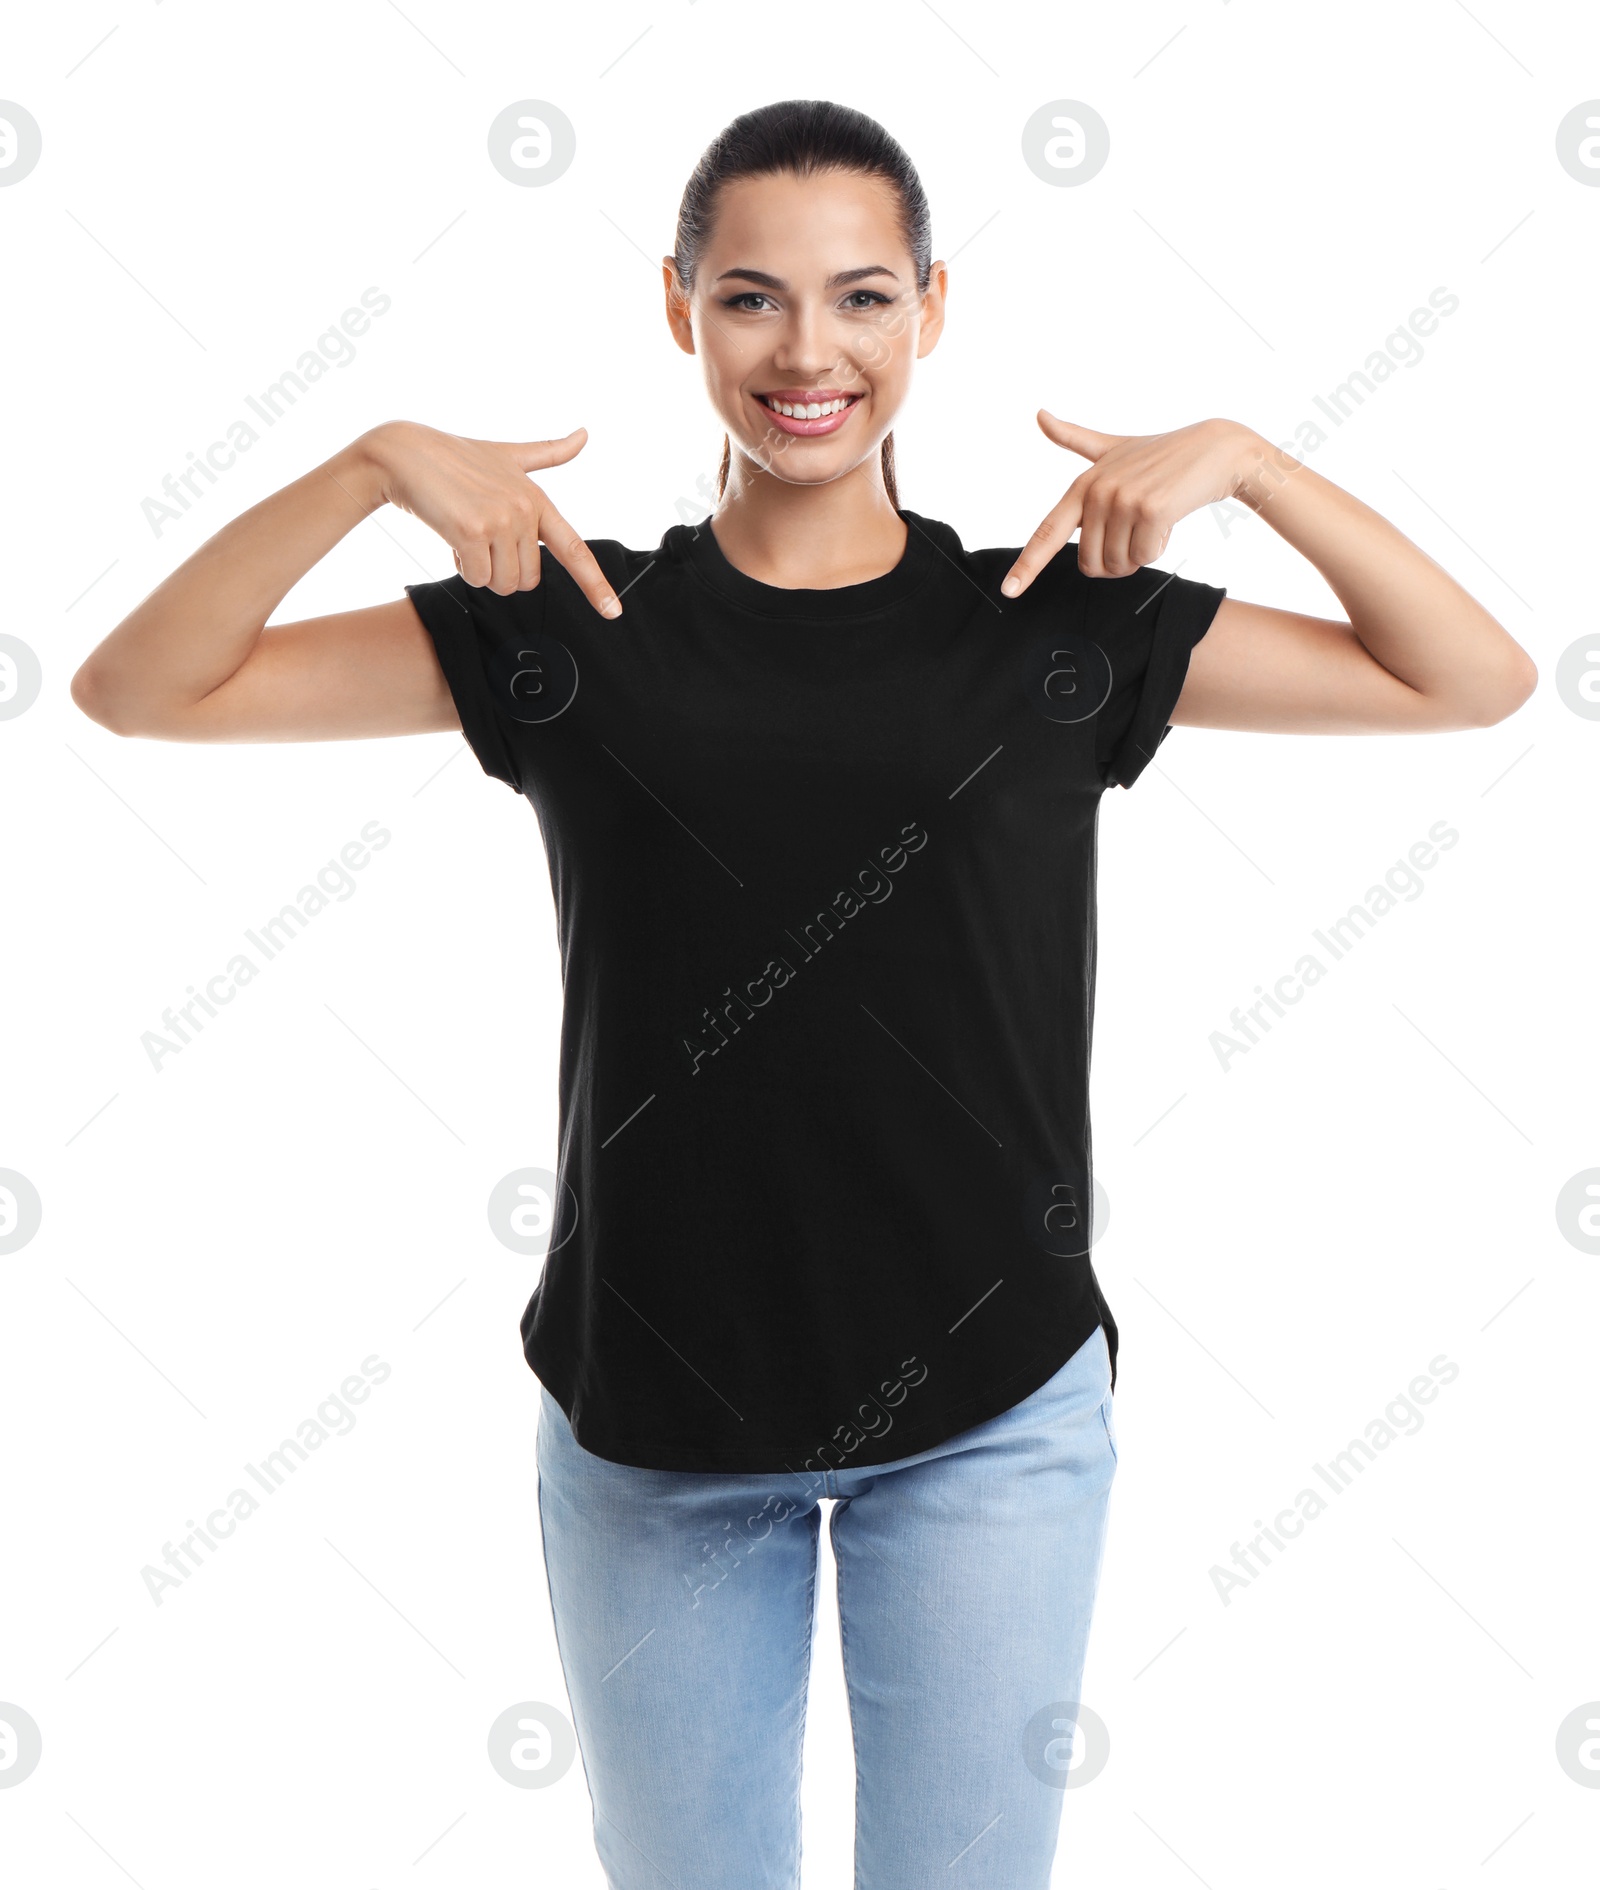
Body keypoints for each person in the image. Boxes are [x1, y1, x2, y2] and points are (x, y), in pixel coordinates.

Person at [72, 97, 1535, 1890]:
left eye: (859, 297)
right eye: (752, 298)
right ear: (678, 309)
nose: (808, 351)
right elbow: (142, 688)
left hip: (994, 1408)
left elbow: (1468, 677)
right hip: (655, 1416)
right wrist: (374, 461)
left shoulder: (1056, 617)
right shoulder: (571, 622)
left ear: (932, 307)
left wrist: (1251, 462)